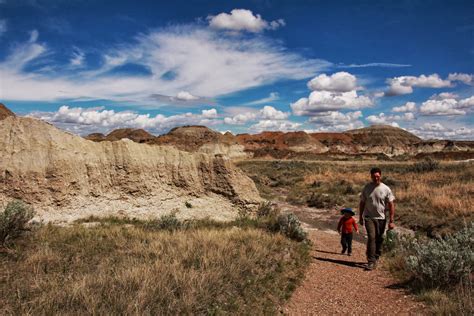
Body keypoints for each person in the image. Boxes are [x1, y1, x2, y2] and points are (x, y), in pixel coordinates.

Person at [359, 167, 395, 271]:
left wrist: (391, 220)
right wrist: (361, 216)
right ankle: (371, 261)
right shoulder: (367, 188)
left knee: (379, 238)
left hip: (381, 218)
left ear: (380, 176)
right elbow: (362, 203)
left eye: (378, 176)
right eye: (374, 176)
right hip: (369, 217)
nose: (376, 178)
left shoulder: (386, 189)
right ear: (371, 176)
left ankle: (376, 255)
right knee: (372, 237)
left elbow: (391, 204)